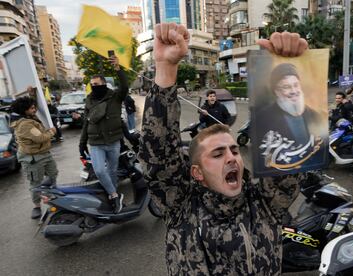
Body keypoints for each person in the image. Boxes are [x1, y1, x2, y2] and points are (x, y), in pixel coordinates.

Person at [139, 22, 308, 275]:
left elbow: (288, 149)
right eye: (218, 154)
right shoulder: (182, 207)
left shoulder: (264, 203)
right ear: (196, 173)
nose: (231, 158)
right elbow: (158, 154)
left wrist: (285, 67)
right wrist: (165, 66)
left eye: (234, 150)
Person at [254, 63, 327, 175]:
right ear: (276, 91)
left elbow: (322, 148)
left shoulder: (315, 115)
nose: (294, 91)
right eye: (286, 87)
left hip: (309, 173)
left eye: (296, 85)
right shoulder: (263, 118)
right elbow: (262, 157)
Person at [79, 55, 128, 214]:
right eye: (92, 84)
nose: (94, 87)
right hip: (96, 143)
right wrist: (82, 143)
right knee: (100, 171)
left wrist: (117, 69)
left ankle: (113, 198)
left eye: (97, 84)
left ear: (104, 84)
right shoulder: (89, 100)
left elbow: (125, 86)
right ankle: (114, 195)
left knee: (113, 171)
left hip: (113, 141)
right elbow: (86, 123)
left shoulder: (115, 96)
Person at [10, 96, 58, 219]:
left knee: (52, 175)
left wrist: (32, 92)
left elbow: (33, 104)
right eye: (31, 108)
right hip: (33, 158)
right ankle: (37, 206)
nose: (34, 109)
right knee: (35, 183)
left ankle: (53, 199)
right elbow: (40, 138)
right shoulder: (24, 124)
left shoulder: (29, 117)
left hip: (44, 154)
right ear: (24, 110)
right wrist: (52, 131)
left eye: (34, 107)